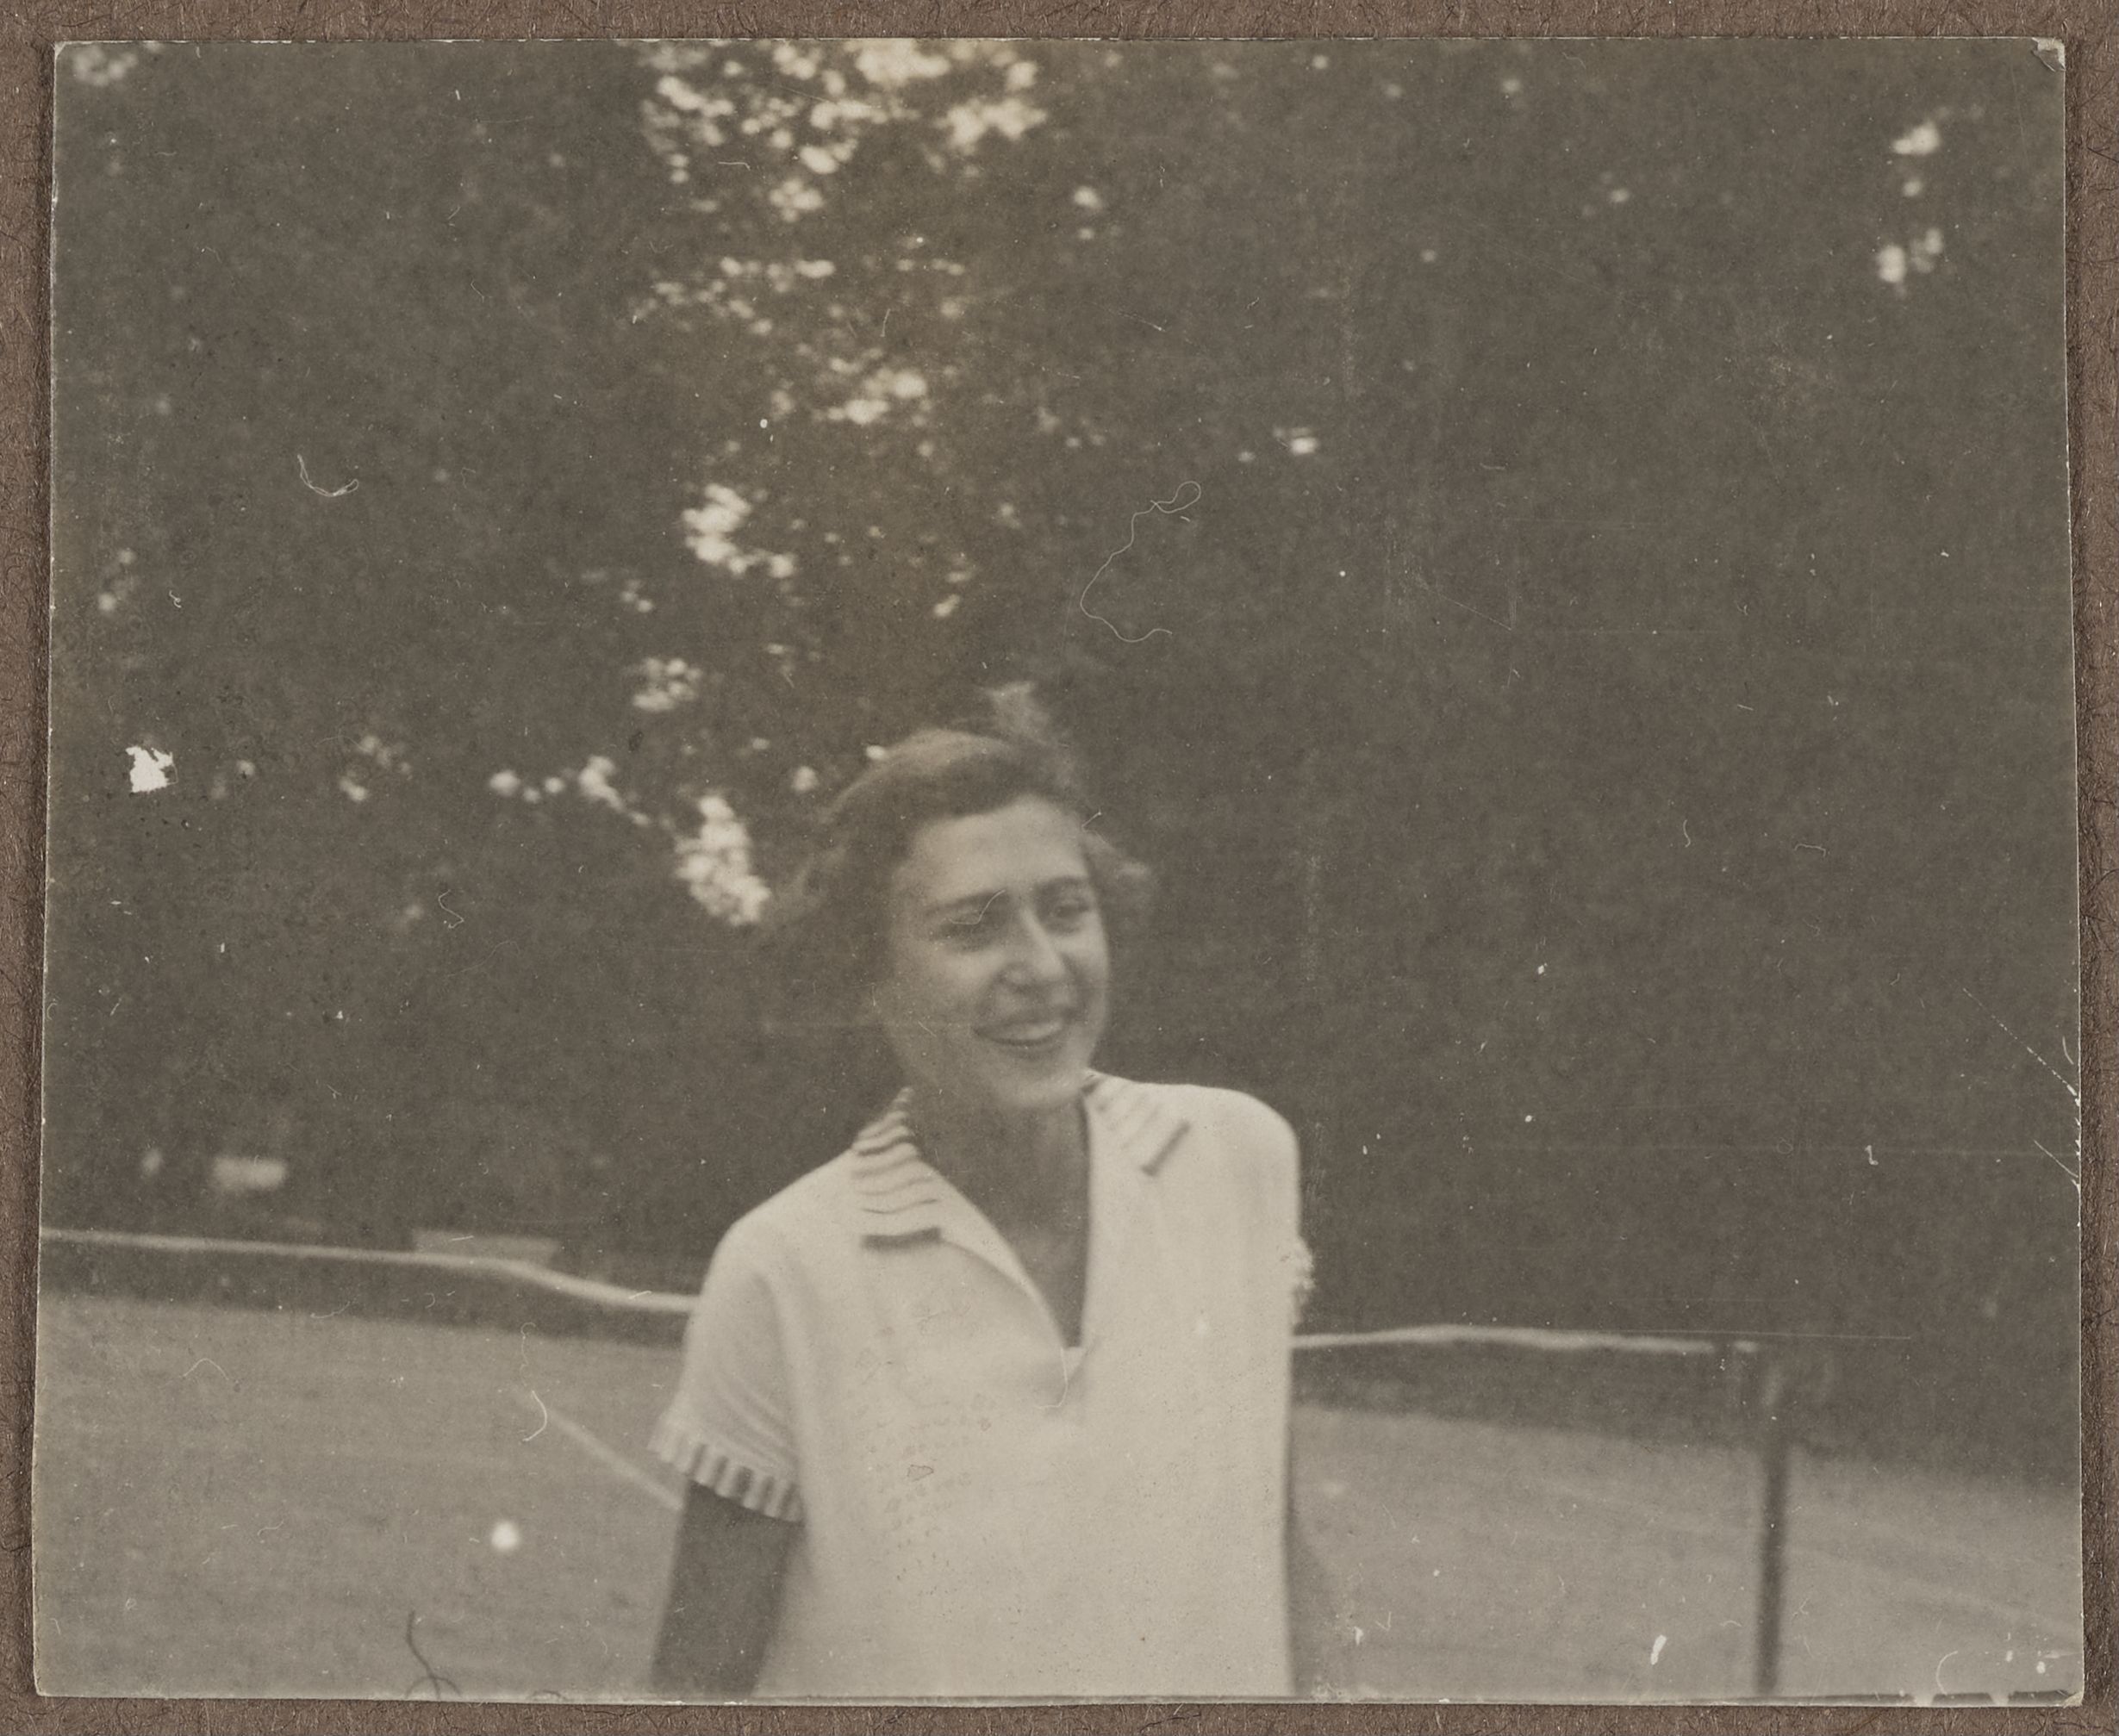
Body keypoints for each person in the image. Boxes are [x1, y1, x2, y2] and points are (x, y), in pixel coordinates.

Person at [648, 688, 1334, 1699]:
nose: (1041, 966)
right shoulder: (782, 1270)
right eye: (973, 927)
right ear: (870, 974)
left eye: (1065, 909)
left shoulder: (1237, 1159)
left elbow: (1269, 1542)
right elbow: (692, 1690)